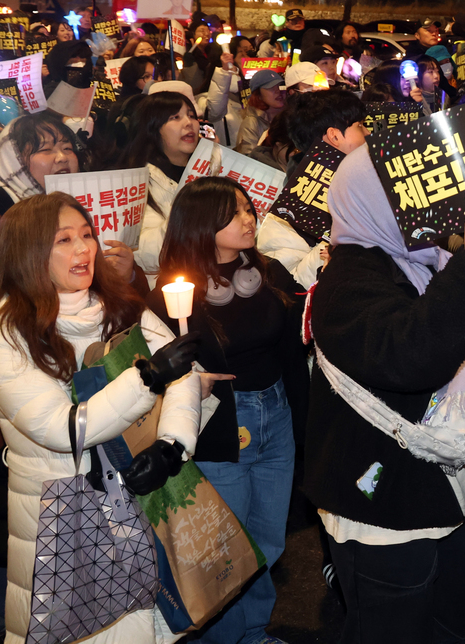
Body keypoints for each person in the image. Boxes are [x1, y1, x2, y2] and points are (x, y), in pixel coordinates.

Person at [0, 192, 206, 644]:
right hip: (66, 512)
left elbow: (183, 375)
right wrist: (148, 379)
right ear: (27, 253)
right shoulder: (5, 334)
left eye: (87, 235)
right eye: (64, 240)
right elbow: (64, 429)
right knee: (76, 630)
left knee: (145, 623)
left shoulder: (116, 302)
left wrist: (173, 446)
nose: (84, 249)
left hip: (138, 492)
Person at [306, 147, 465, 644]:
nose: (422, 210)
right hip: (382, 511)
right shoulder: (349, 277)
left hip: (439, 494)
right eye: (402, 196)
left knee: (446, 624)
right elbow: (413, 353)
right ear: (369, 202)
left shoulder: (416, 259)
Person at [148, 177, 305, 644]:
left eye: (248, 209)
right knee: (225, 548)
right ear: (200, 224)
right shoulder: (174, 294)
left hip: (276, 413)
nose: (248, 219)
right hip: (222, 424)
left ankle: (253, 632)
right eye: (233, 213)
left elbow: (297, 339)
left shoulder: (269, 272)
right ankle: (225, 638)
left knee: (268, 539)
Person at [255, 91, 369, 289]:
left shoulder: (366, 182)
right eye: (360, 126)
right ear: (334, 136)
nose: (368, 133)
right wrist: (331, 247)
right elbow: (292, 286)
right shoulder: (288, 214)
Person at [124, 92, 217, 288]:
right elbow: (144, 254)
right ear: (152, 128)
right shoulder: (136, 182)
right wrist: (192, 202)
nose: (189, 123)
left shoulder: (215, 166)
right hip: (172, 289)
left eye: (191, 115)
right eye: (175, 117)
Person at [235, 71, 287, 156]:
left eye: (280, 86)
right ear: (258, 94)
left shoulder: (289, 117)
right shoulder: (251, 123)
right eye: (271, 88)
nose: (278, 91)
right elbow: (248, 160)